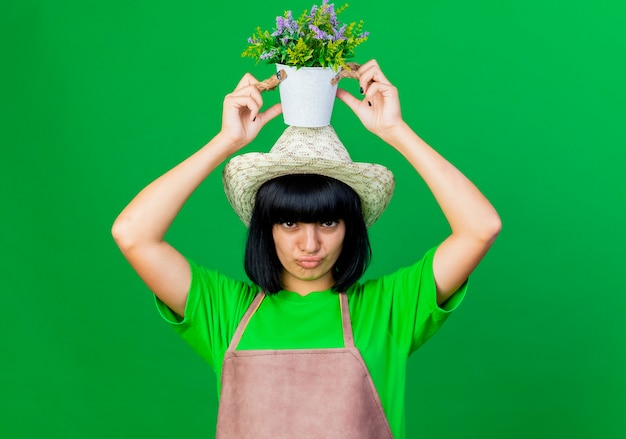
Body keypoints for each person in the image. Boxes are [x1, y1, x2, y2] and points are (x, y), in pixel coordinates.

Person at [112, 60, 501, 438]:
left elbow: (480, 228)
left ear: (352, 228)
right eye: (289, 222)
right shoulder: (224, 312)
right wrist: (225, 142)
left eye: (328, 222)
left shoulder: (389, 310)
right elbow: (133, 234)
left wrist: (395, 131)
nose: (309, 244)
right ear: (267, 229)